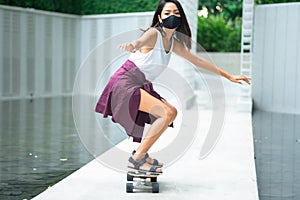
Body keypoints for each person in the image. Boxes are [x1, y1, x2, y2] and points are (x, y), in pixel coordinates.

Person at [95, 0, 250, 173]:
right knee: (166, 113)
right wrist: (133, 45)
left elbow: (197, 61)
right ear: (160, 17)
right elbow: (140, 42)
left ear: (181, 17)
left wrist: (228, 76)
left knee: (171, 112)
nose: (172, 16)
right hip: (125, 82)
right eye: (167, 13)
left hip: (138, 83)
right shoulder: (154, 34)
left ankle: (141, 154)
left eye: (176, 13)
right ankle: (136, 159)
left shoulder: (174, 43)